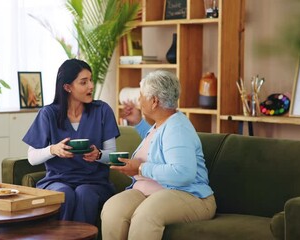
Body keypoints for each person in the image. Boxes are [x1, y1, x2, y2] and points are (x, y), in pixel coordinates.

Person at [101, 70, 216, 239]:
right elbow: (157, 143)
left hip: (191, 195)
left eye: (141, 96)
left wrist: (140, 168)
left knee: (145, 216)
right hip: (152, 191)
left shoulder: (177, 129)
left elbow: (183, 173)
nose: (139, 100)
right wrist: (138, 122)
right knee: (113, 209)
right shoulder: (162, 124)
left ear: (154, 101)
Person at [22, 58, 120, 225]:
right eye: (84, 82)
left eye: (91, 80)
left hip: (94, 182)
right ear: (67, 87)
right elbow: (32, 157)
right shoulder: (48, 114)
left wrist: (98, 155)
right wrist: (53, 150)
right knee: (64, 193)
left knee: (84, 193)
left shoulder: (102, 110)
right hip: (57, 181)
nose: (91, 86)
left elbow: (114, 157)